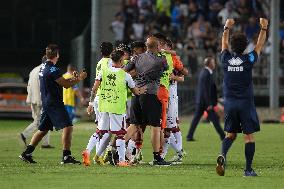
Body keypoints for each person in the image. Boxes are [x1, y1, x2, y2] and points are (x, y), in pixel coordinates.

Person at [216, 18, 268, 177]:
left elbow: (223, 43)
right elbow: (259, 45)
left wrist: (226, 27)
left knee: (230, 135)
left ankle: (223, 156)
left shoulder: (225, 59)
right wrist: (264, 28)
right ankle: (248, 170)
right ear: (246, 46)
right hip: (245, 104)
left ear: (232, 46)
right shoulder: (248, 59)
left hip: (229, 103)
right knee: (249, 136)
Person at [19, 44, 87, 164]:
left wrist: (73, 78)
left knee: (43, 129)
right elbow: (65, 84)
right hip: (54, 103)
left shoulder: (43, 67)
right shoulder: (53, 69)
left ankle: (27, 153)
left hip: (47, 102)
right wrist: (79, 78)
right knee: (68, 127)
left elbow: (61, 81)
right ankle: (66, 156)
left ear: (47, 55)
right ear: (57, 55)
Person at [87, 49, 146, 167]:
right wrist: (143, 90)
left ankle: (88, 152)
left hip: (104, 106)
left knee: (100, 131)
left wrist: (91, 103)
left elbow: (94, 89)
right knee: (120, 134)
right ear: (120, 60)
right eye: (123, 60)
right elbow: (135, 91)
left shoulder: (103, 71)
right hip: (117, 107)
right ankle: (122, 161)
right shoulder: (125, 75)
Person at [124, 36, 170, 166]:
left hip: (136, 94)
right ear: (156, 46)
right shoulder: (160, 60)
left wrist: (137, 76)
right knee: (155, 126)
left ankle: (115, 150)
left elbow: (125, 70)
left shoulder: (137, 58)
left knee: (133, 125)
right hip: (150, 94)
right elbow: (166, 68)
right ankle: (157, 157)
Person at [82, 42, 113, 166]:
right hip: (107, 98)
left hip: (98, 99)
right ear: (112, 51)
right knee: (106, 130)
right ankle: (95, 154)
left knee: (101, 129)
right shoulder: (111, 63)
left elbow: (95, 85)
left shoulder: (99, 63)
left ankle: (92, 154)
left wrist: (90, 102)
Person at [186, 57, 225, 142]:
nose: (214, 64)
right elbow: (205, 90)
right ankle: (223, 136)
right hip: (204, 102)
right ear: (209, 64)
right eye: (213, 62)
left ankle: (189, 136)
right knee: (214, 120)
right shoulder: (206, 73)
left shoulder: (206, 72)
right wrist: (209, 104)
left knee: (198, 119)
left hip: (202, 101)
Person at [19, 56, 54, 149]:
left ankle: (45, 143)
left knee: (41, 121)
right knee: (41, 121)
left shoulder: (34, 70)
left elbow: (29, 86)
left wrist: (29, 98)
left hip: (33, 99)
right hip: (41, 100)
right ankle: (24, 134)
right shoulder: (45, 70)